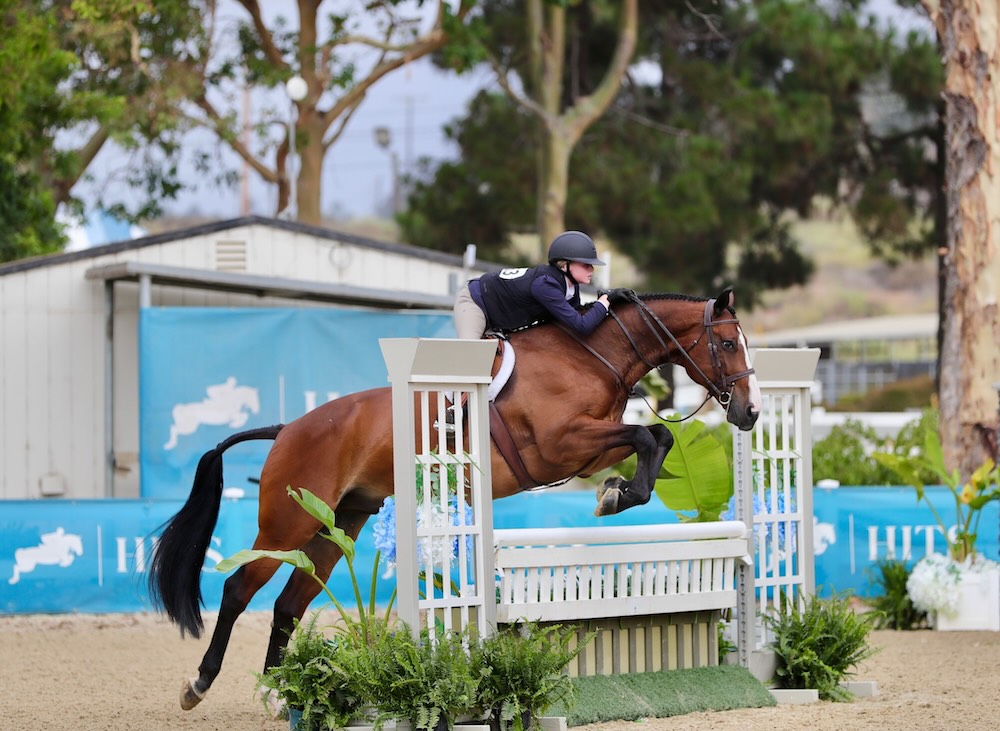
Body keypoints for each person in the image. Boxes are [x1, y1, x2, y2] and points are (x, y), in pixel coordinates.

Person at [454, 230, 612, 339]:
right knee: (470, 358)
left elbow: (572, 320)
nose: (591, 269)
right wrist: (603, 304)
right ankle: (449, 389)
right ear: (565, 265)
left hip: (500, 316)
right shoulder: (545, 285)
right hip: (476, 302)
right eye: (586, 265)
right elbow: (582, 326)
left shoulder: (570, 286)